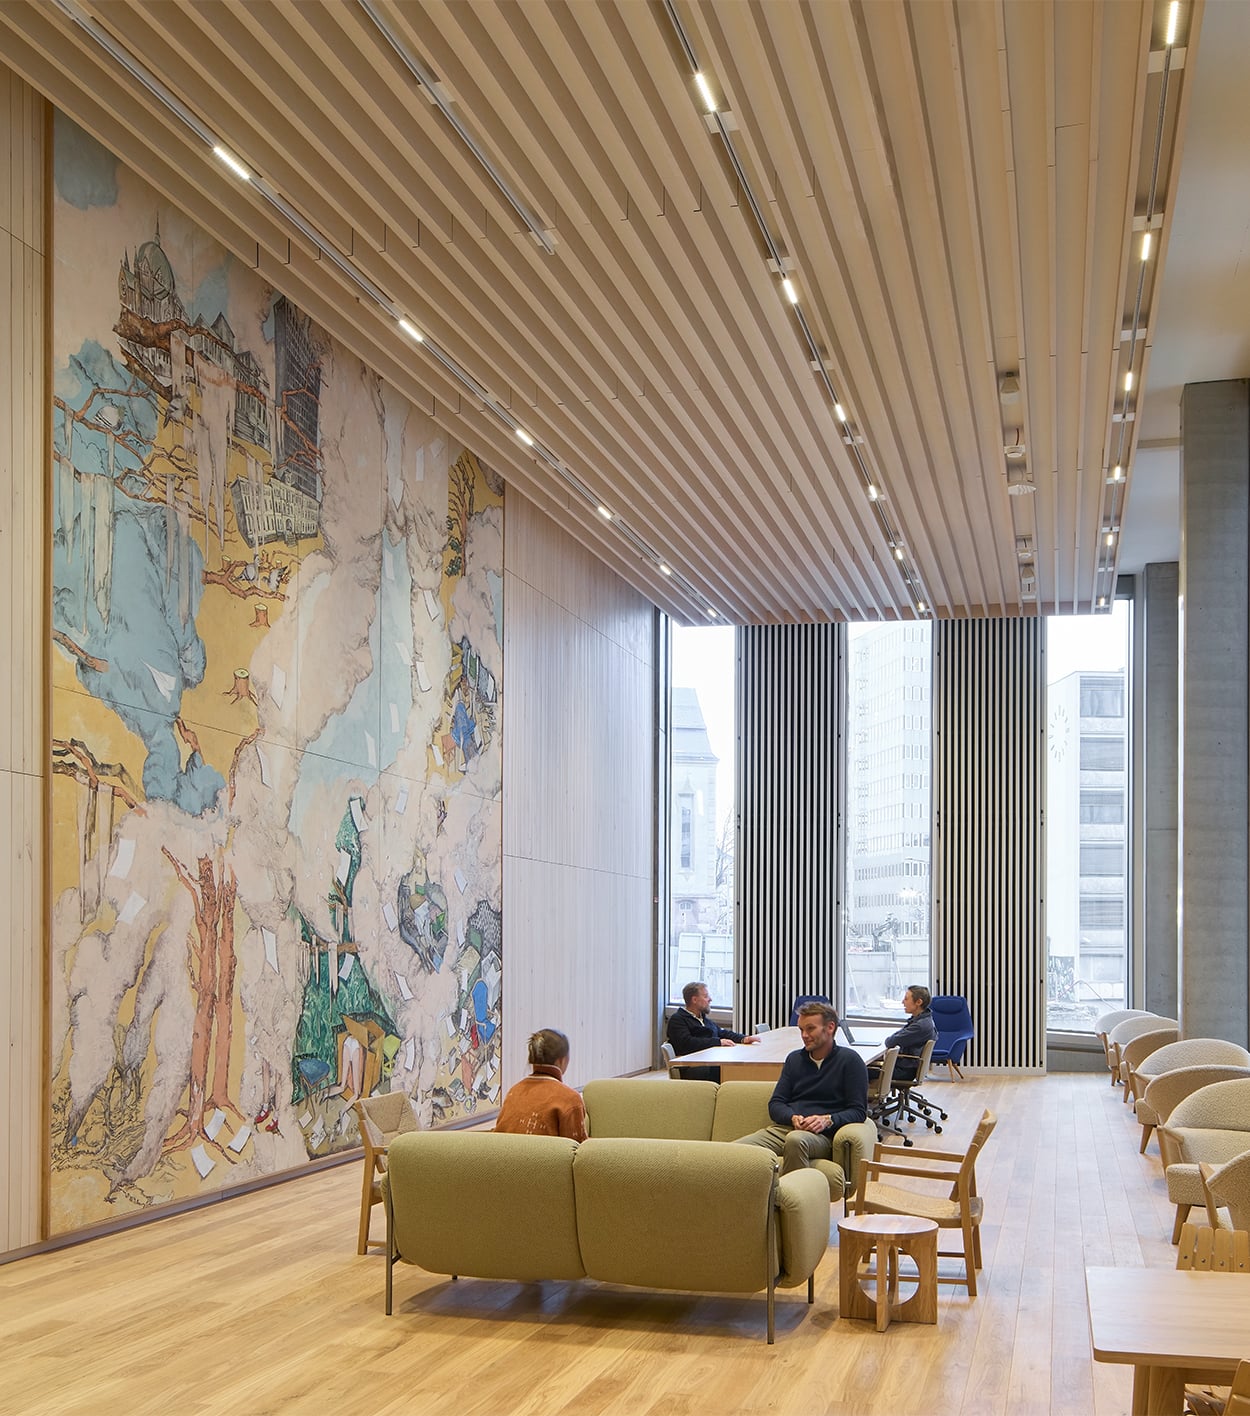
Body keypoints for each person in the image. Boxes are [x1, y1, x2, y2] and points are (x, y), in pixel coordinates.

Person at [735, 1002, 868, 1173]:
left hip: (821, 1135)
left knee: (796, 1140)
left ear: (830, 1027)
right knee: (732, 1152)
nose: (804, 1035)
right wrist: (792, 1117)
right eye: (801, 1029)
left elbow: (858, 1111)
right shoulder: (794, 1060)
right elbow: (776, 1104)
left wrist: (827, 1119)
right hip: (786, 1129)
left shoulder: (850, 1061)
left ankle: (791, 1197)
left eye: (810, 1029)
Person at [494, 1028, 587, 1141]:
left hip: (507, 1158)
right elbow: (579, 1150)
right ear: (562, 1060)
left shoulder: (514, 1092)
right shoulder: (569, 1099)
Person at [666, 981, 759, 1081]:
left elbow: (722, 1032)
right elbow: (687, 1043)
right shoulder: (678, 1019)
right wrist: (717, 1042)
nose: (710, 999)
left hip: (708, 1061)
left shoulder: (703, 1019)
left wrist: (743, 1038)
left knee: (737, 1065)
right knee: (730, 1069)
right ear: (694, 999)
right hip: (690, 1067)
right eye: (706, 996)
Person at [869, 985, 936, 1085]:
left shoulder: (919, 1026)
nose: (902, 1002)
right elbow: (897, 1037)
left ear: (918, 1002)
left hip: (905, 1070)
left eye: (906, 999)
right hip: (907, 1066)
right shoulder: (922, 1020)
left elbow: (890, 1041)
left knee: (858, 1070)